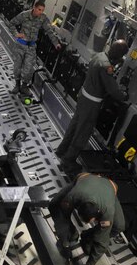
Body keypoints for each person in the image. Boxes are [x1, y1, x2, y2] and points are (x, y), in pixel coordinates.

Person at [55, 39, 130, 175]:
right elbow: (113, 91)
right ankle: (68, 161)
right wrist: (124, 95)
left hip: (83, 96)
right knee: (83, 131)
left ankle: (61, 150)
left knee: (74, 125)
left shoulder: (99, 56)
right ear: (119, 55)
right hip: (92, 103)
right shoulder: (106, 67)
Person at [48, 172, 124, 265]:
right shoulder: (73, 196)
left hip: (109, 188)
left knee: (119, 226)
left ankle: (88, 236)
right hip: (85, 179)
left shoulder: (107, 212)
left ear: (97, 216)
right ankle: (72, 234)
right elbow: (62, 217)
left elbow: (102, 244)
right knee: (54, 205)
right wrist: (65, 242)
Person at [7, 0, 61, 95]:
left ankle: (24, 86)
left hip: (31, 47)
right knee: (17, 67)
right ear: (34, 8)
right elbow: (11, 23)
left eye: (42, 10)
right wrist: (16, 34)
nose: (40, 12)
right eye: (39, 10)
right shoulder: (24, 15)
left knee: (29, 68)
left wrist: (56, 43)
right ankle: (17, 85)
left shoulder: (43, 18)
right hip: (20, 45)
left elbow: (49, 31)